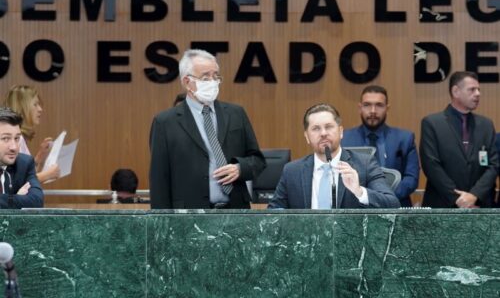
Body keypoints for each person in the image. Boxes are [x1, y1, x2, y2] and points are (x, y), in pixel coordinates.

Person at [149, 49, 266, 209]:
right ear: (187, 82)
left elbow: (258, 160)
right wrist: (161, 220)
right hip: (189, 214)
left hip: (235, 211)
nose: (213, 82)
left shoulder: (236, 113)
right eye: (205, 77)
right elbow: (159, 178)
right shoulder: (165, 122)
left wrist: (240, 168)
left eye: (216, 76)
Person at [268, 103, 400, 209]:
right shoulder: (292, 171)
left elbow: (392, 204)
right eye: (316, 128)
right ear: (307, 137)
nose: (323, 133)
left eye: (329, 127)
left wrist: (359, 191)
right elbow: (273, 212)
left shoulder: (364, 164)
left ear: (341, 132)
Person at [420, 71, 498, 208]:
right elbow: (431, 165)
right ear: (456, 91)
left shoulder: (486, 125)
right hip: (443, 206)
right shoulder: (432, 123)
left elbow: (494, 165)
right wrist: (458, 199)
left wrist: (474, 195)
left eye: (478, 89)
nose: (478, 94)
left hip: (480, 206)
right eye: (472, 89)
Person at [342, 85, 420, 207]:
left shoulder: (405, 138)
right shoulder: (344, 139)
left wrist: (384, 198)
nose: (373, 110)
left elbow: (411, 179)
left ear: (387, 108)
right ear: (360, 108)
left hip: (396, 207)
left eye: (379, 105)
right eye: (367, 105)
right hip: (355, 208)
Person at [4, 85, 60, 183]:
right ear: (22, 107)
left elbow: (24, 173)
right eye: (35, 104)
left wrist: (39, 157)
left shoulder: (18, 137)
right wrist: (47, 175)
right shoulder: (13, 140)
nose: (40, 109)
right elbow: (16, 183)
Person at [0, 107, 44, 208]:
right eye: (5, 138)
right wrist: (17, 198)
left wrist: (9, 200)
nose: (14, 147)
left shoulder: (24, 164)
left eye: (17, 138)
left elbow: (36, 201)